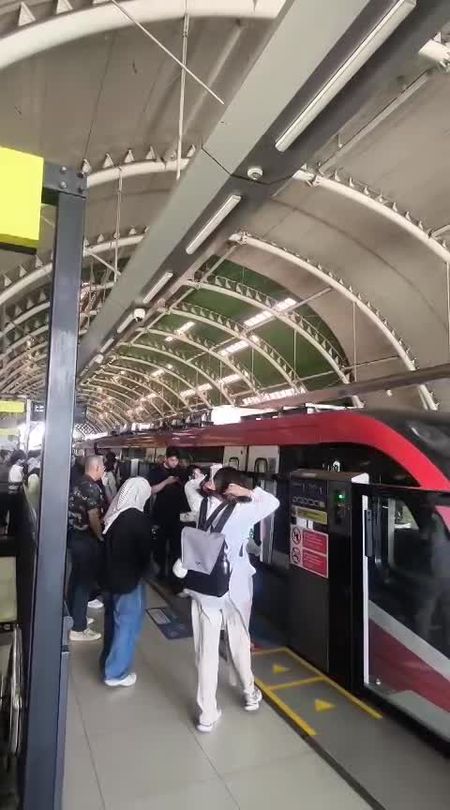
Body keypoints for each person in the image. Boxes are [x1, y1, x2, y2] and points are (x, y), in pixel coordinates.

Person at [174, 466, 279, 732]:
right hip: (237, 589)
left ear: (214, 486)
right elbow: (272, 502)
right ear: (234, 486)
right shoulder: (244, 511)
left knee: (205, 651)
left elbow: (189, 486)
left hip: (206, 588)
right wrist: (248, 492)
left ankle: (207, 714)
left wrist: (203, 483)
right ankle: (250, 693)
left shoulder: (201, 506)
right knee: (240, 641)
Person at [100, 477, 152, 687]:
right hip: (129, 582)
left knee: (113, 623)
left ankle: (107, 662)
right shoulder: (138, 518)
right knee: (127, 626)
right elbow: (145, 554)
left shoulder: (115, 514)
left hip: (109, 579)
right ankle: (116, 672)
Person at [67, 455, 106, 642]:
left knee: (75, 579)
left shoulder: (78, 482)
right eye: (103, 466)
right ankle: (78, 628)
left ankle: (74, 616)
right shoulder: (92, 487)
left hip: (74, 537)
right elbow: (93, 517)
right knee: (84, 583)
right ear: (96, 467)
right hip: (86, 540)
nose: (104, 469)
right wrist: (100, 537)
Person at [148, 446, 188, 582]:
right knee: (159, 545)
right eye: (172, 460)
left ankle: (173, 576)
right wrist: (166, 482)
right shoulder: (156, 472)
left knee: (175, 546)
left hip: (178, 516)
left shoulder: (181, 471)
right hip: (161, 514)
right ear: (165, 458)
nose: (174, 463)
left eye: (176, 460)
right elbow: (151, 490)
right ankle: (159, 572)